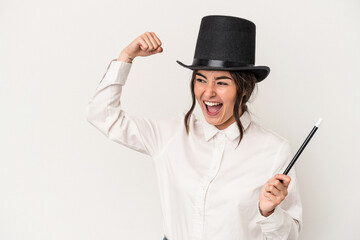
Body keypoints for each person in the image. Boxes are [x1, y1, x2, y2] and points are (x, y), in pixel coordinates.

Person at [86, 15, 302, 240]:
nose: (208, 92)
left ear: (244, 89)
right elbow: (101, 115)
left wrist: (269, 212)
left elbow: (291, 236)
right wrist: (126, 57)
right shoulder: (171, 134)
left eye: (221, 82)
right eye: (200, 80)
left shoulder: (274, 150)